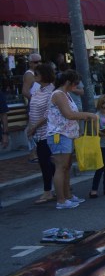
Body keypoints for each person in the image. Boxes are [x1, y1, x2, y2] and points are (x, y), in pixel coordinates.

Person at [46, 70, 99, 209]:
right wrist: (88, 115)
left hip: (67, 134)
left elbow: (70, 115)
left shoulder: (66, 94)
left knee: (66, 167)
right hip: (59, 134)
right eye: (75, 83)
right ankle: (61, 200)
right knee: (61, 167)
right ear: (68, 82)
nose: (76, 86)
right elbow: (69, 114)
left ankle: (67, 195)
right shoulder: (58, 94)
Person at [25, 64, 56, 204]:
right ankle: (61, 185)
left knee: (45, 162)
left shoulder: (51, 92)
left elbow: (48, 114)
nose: (34, 76)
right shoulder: (38, 90)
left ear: (43, 75)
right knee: (47, 162)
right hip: (37, 132)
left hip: (46, 132)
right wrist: (31, 127)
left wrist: (34, 127)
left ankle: (48, 192)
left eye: (36, 74)